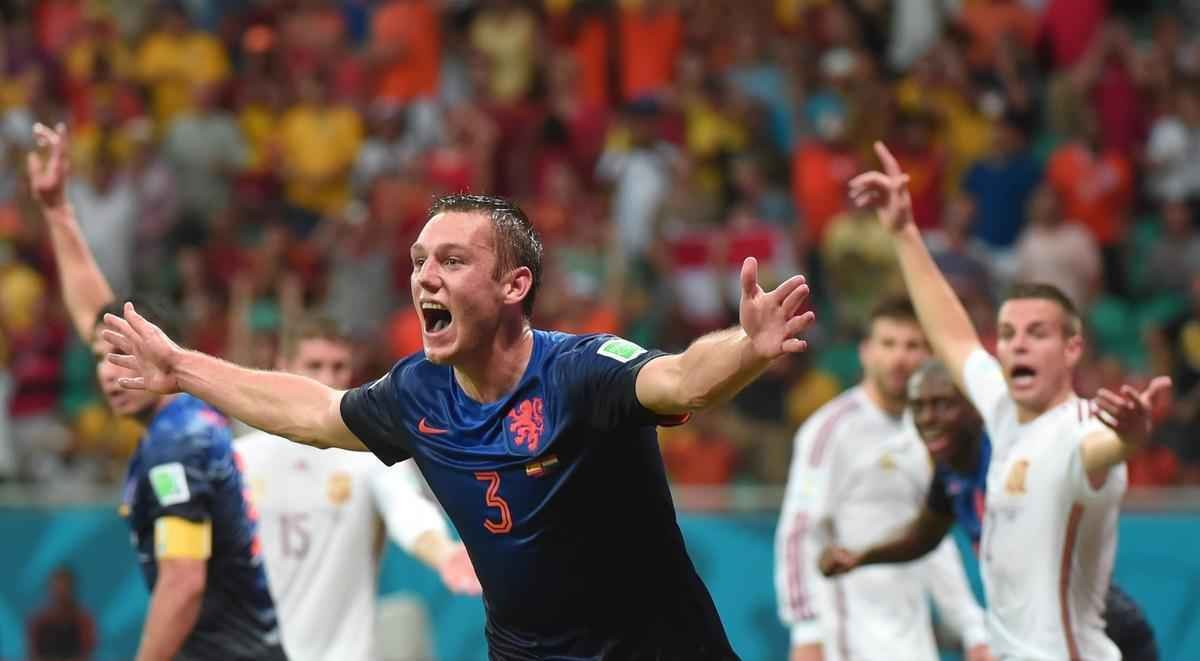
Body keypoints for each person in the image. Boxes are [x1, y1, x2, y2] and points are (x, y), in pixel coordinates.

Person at [99, 190, 817, 659]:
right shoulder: (417, 392)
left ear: (514, 285)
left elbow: (684, 376)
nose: (424, 278)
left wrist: (747, 348)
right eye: (418, 262)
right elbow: (316, 413)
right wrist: (182, 367)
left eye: (451, 259)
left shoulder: (583, 372)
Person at [846, 141, 1171, 660]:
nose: (1018, 342)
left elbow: (1101, 452)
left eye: (1037, 332)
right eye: (1009, 333)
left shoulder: (1080, 430)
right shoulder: (1000, 410)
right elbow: (951, 337)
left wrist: (1129, 437)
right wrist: (905, 233)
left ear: (1072, 348)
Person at [28, 122, 286, 661]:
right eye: (101, 359)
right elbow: (92, 313)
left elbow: (184, 581)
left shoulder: (176, 446)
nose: (108, 374)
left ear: (162, 355)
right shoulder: (189, 418)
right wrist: (57, 209)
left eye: (122, 358)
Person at [819, 360, 1160, 660]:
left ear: (976, 408)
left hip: (1096, 632)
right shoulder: (951, 471)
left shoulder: (1013, 457)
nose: (928, 418)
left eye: (942, 405)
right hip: (1031, 633)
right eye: (918, 407)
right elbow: (923, 535)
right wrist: (860, 557)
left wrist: (1125, 440)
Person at [235, 314, 483, 661]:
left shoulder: (370, 456)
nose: (327, 378)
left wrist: (443, 552)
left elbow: (406, 509)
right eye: (314, 365)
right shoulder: (241, 459)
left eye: (338, 367)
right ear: (283, 367)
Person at [774, 297, 990, 661]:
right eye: (888, 344)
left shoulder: (931, 432)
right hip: (845, 632)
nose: (900, 358)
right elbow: (799, 530)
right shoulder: (830, 429)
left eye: (912, 345)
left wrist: (972, 627)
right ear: (866, 352)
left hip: (911, 634)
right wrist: (806, 630)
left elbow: (932, 540)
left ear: (928, 355)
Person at [26, 567, 97, 661]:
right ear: (50, 590)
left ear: (71, 590)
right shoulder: (39, 620)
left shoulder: (83, 620)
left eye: (65, 587)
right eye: (57, 587)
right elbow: (32, 654)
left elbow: (87, 653)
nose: (60, 592)